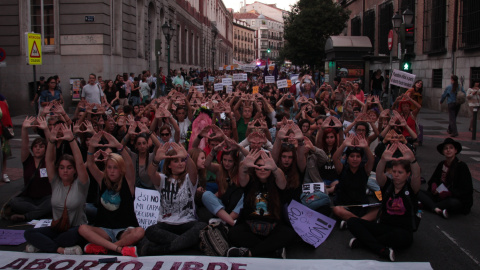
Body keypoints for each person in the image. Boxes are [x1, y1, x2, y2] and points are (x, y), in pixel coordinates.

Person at [347, 142, 421, 262]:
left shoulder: (411, 189)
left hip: (402, 231)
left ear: (407, 174)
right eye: (394, 172)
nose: (396, 175)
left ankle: (364, 242)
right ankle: (380, 249)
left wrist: (412, 160)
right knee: (352, 222)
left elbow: (417, 176)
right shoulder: (387, 185)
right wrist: (382, 160)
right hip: (384, 226)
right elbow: (379, 175)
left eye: (400, 172)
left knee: (399, 237)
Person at [24, 124, 89, 255]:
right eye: (62, 167)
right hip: (57, 228)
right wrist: (51, 141)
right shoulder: (55, 182)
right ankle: (59, 249)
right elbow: (49, 160)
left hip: (75, 229)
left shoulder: (81, 184)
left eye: (69, 168)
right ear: (58, 169)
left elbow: (80, 162)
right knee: (29, 233)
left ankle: (43, 246)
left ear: (74, 170)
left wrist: (71, 140)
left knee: (71, 236)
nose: (65, 171)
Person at [79, 131, 144, 257]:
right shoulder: (102, 179)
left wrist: (119, 146)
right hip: (104, 229)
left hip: (124, 230)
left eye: (115, 168)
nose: (112, 171)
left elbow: (129, 163)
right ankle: (118, 248)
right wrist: (92, 147)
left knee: (139, 232)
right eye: (109, 167)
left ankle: (105, 248)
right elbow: (91, 164)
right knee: (82, 228)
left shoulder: (128, 182)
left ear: (121, 169)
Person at [227, 150, 297, 258]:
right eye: (258, 166)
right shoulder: (249, 182)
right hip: (250, 226)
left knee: (289, 234)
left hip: (273, 227)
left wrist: (274, 168)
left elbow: (282, 181)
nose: (262, 169)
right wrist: (244, 166)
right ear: (254, 169)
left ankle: (250, 253)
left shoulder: (277, 182)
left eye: (266, 167)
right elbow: (242, 176)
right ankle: (272, 251)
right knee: (233, 233)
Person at [140, 142, 205, 256]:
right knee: (151, 231)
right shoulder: (162, 179)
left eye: (182, 160)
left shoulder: (189, 178)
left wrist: (187, 157)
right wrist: (156, 160)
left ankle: (164, 249)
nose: (181, 164)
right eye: (176, 161)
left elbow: (194, 171)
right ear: (169, 165)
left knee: (202, 226)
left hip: (187, 223)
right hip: (166, 224)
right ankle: (189, 245)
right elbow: (150, 173)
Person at [7, 117, 51, 222]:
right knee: (14, 202)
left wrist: (46, 129)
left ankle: (26, 216)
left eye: (41, 146)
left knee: (55, 201)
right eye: (35, 146)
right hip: (29, 199)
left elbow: (51, 145)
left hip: (46, 198)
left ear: (45, 149)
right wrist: (24, 129)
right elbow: (24, 146)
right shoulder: (28, 160)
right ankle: (40, 213)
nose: (38, 148)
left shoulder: (48, 161)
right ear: (32, 149)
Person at [418, 138, 473, 218]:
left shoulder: (461, 166)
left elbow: (466, 190)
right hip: (439, 196)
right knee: (418, 191)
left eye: (451, 148)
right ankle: (437, 209)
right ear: (443, 152)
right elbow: (434, 179)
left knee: (452, 203)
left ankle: (428, 206)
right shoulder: (441, 164)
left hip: (454, 198)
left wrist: (449, 192)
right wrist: (434, 185)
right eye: (446, 148)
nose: (448, 150)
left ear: (455, 151)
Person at [0, 99, 13, 183]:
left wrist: (10, 128)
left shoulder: (3, 104)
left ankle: (3, 173)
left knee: (4, 153)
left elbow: (8, 117)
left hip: (3, 133)